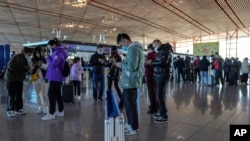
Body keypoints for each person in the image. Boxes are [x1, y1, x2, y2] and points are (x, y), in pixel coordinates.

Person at [116, 33, 144, 135]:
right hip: (131, 80)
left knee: (130, 106)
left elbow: (131, 67)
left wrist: (120, 64)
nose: (122, 46)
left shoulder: (133, 49)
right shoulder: (135, 49)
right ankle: (130, 124)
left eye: (121, 43)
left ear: (125, 40)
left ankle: (134, 128)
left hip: (130, 81)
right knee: (129, 105)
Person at [41, 38, 68, 120]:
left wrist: (47, 58)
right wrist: (49, 57)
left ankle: (51, 113)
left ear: (54, 45)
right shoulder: (57, 52)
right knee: (57, 94)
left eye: (49, 45)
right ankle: (60, 110)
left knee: (51, 95)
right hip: (56, 76)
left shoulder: (58, 53)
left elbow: (53, 65)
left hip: (56, 77)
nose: (49, 47)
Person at [5, 47, 33, 117]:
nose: (29, 55)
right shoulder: (17, 57)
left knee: (19, 95)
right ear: (25, 52)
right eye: (29, 53)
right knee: (11, 95)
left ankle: (18, 109)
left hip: (19, 79)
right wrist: (24, 67)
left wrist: (27, 69)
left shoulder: (25, 58)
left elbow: (25, 68)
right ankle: (10, 110)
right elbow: (10, 66)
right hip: (12, 79)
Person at [151, 41, 173, 124]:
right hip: (161, 74)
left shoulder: (165, 50)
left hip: (162, 75)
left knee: (160, 95)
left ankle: (164, 116)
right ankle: (162, 112)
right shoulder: (164, 50)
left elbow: (163, 62)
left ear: (157, 44)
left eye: (154, 46)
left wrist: (152, 62)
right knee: (161, 95)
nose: (154, 48)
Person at [30, 46, 49, 114]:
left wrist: (40, 65)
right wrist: (36, 65)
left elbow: (47, 67)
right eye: (37, 52)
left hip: (43, 78)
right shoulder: (32, 59)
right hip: (35, 77)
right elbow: (31, 68)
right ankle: (40, 107)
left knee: (44, 94)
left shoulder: (45, 58)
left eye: (39, 52)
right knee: (37, 93)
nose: (38, 53)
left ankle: (46, 107)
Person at [144, 44, 157, 114]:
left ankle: (153, 106)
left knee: (151, 91)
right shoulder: (156, 54)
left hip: (149, 74)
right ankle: (156, 104)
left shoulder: (149, 54)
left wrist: (146, 62)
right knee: (155, 90)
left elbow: (146, 64)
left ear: (149, 48)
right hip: (155, 74)